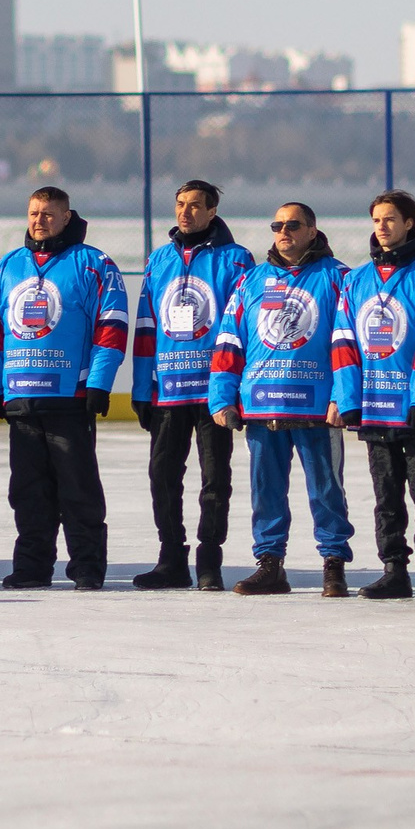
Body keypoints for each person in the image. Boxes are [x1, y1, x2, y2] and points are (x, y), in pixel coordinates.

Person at [0, 185, 129, 590]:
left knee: (78, 490)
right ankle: (32, 566)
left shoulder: (94, 264)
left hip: (71, 399)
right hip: (22, 398)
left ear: (67, 217)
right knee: (28, 491)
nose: (39, 221)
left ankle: (86, 566)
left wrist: (99, 383)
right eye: (33, 213)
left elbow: (112, 327)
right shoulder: (6, 267)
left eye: (48, 214)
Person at [209, 203, 353, 596]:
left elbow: (348, 344)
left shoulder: (338, 277)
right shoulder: (251, 281)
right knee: (265, 491)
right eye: (277, 225)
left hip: (316, 409)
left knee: (326, 491)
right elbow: (228, 340)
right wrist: (222, 397)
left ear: (312, 230)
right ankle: (270, 565)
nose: (283, 231)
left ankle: (333, 564)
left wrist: (343, 397)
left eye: (293, 225)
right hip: (261, 406)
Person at [129, 179, 253, 590]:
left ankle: (209, 561)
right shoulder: (159, 259)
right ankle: (171, 559)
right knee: (162, 474)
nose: (186, 213)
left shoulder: (236, 260)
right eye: (181, 204)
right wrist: (141, 388)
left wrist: (235, 388)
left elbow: (243, 326)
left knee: (215, 479)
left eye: (196, 206)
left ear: (213, 212)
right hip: (168, 391)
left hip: (213, 391)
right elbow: (146, 326)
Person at [333, 190, 415, 601]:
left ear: (409, 224)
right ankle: (394, 569)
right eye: (376, 220)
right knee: (386, 496)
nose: (382, 227)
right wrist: (349, 400)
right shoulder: (355, 281)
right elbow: (344, 341)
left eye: (390, 219)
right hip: (375, 410)